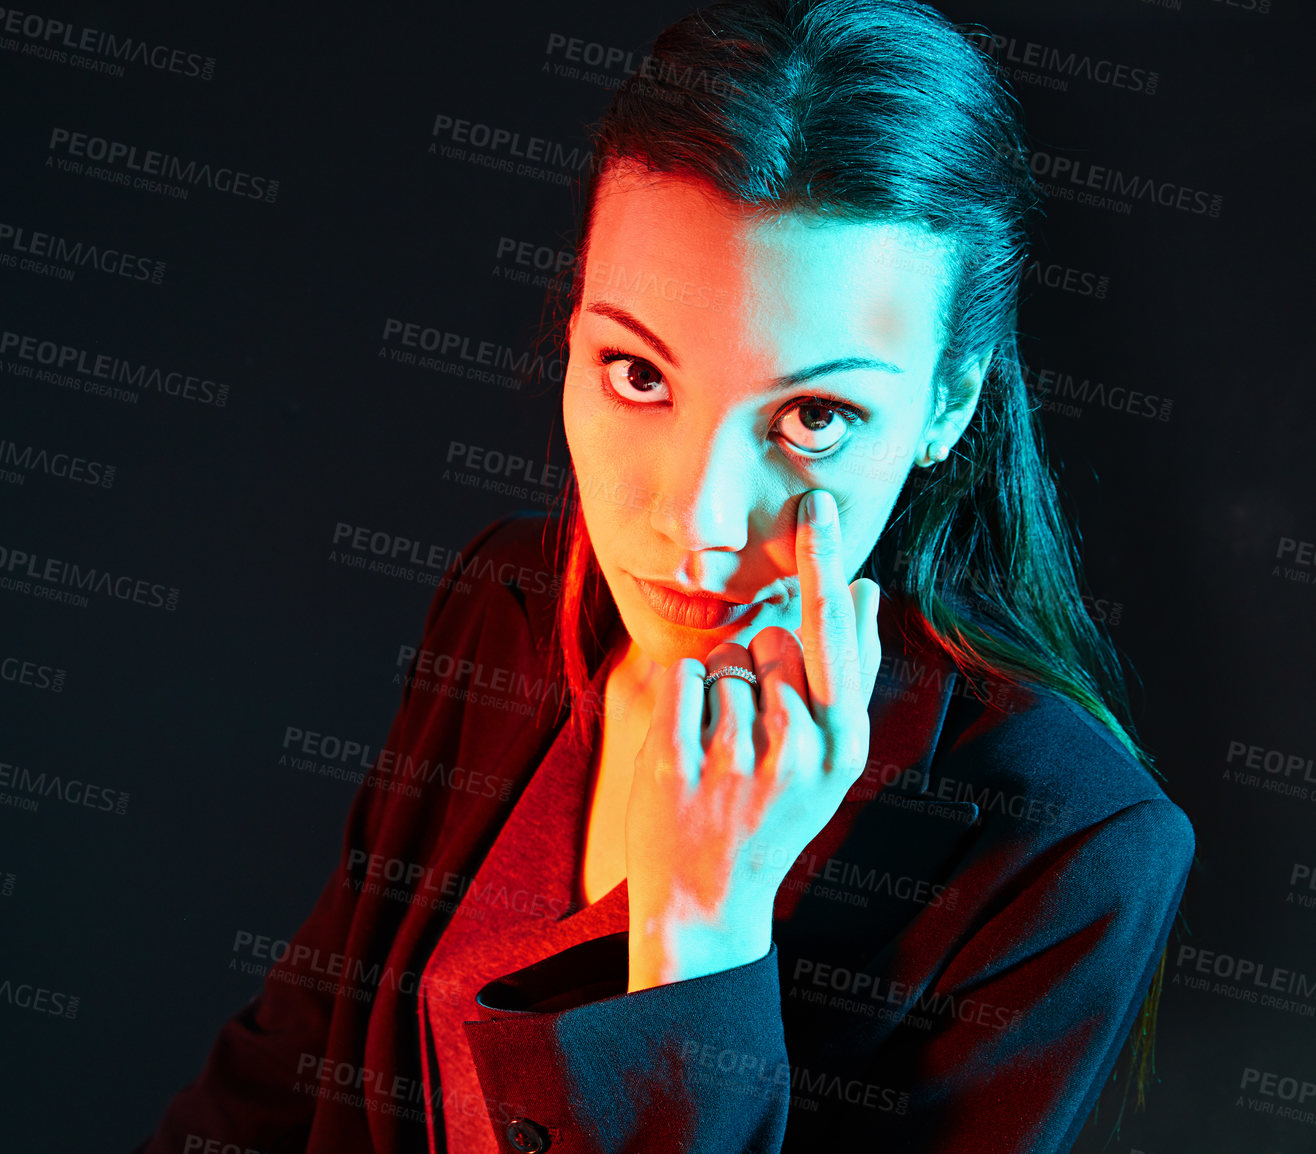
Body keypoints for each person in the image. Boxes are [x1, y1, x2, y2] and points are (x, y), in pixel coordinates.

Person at [137, 0, 1194, 1150]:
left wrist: (705, 934)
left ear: (947, 405)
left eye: (814, 415)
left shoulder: (1068, 847)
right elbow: (282, 1074)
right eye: (637, 373)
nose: (697, 522)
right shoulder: (513, 606)